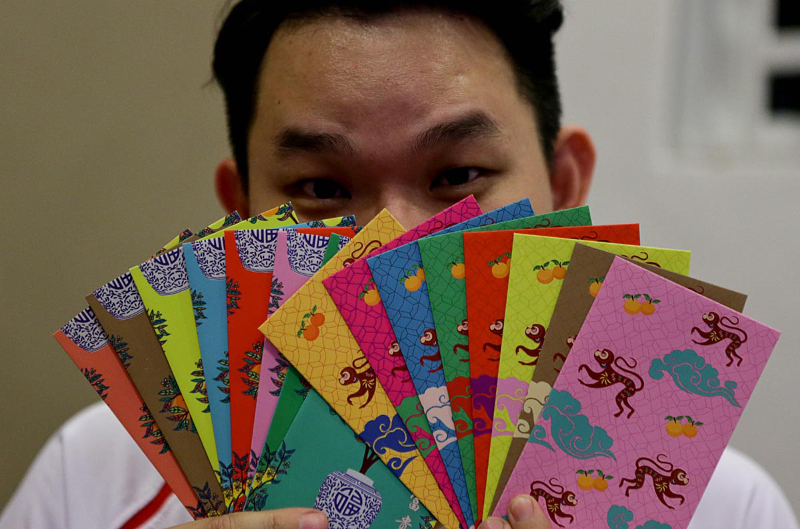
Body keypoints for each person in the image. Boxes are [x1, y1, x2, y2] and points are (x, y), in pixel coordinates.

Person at [1, 1, 797, 528]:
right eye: (320, 188)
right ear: (241, 218)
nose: (392, 245)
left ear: (562, 186)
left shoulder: (724, 505)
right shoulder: (90, 478)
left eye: (457, 177)